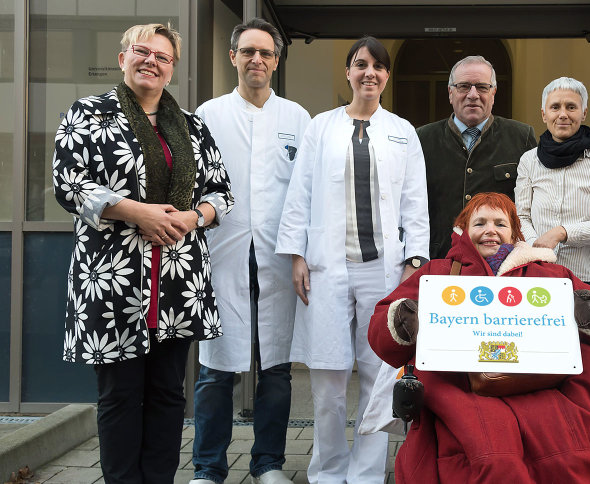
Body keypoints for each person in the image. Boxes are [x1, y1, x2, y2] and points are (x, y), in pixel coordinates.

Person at [52, 23, 233, 484]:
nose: (151, 60)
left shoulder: (191, 125)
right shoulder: (89, 114)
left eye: (162, 56)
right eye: (141, 51)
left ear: (172, 69)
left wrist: (194, 217)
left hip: (177, 281)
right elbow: (70, 183)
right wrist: (139, 213)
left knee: (169, 394)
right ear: (122, 59)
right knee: (119, 395)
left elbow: (221, 192)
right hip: (113, 279)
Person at [367, 192, 590, 483]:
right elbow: (381, 331)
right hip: (462, 386)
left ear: (515, 233)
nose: (490, 230)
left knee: (568, 451)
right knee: (493, 456)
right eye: (480, 223)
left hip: (543, 383)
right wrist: (404, 320)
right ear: (464, 231)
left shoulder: (551, 275)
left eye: (500, 223)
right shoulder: (437, 275)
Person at [276, 36, 429, 483]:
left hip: (382, 270)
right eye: (361, 64)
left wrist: (414, 260)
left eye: (379, 67)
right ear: (348, 72)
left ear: (386, 76)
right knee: (327, 378)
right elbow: (300, 192)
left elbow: (414, 202)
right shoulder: (320, 127)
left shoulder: (403, 131)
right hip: (327, 268)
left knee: (379, 374)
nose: (370, 73)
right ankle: (328, 472)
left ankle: (365, 473)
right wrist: (297, 254)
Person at [190, 18, 310, 484]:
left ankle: (268, 464)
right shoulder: (208, 115)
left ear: (277, 62)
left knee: (276, 368)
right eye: (248, 51)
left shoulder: (297, 118)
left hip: (279, 258)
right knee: (215, 369)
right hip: (223, 254)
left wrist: (301, 251)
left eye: (266, 53)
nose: (256, 60)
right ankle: (207, 468)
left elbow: (305, 191)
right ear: (233, 57)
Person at [417, 55, 536, 259]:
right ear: (450, 92)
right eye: (464, 86)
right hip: (439, 259)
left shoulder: (521, 137)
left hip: (500, 263)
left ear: (493, 93)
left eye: (482, 87)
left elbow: (533, 204)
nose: (473, 94)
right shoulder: (421, 139)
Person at [514, 77, 590, 299]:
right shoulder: (529, 160)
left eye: (571, 107)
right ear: (544, 114)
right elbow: (521, 216)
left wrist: (562, 233)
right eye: (555, 107)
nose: (563, 114)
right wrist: (538, 249)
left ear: (583, 113)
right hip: (540, 275)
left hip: (589, 278)